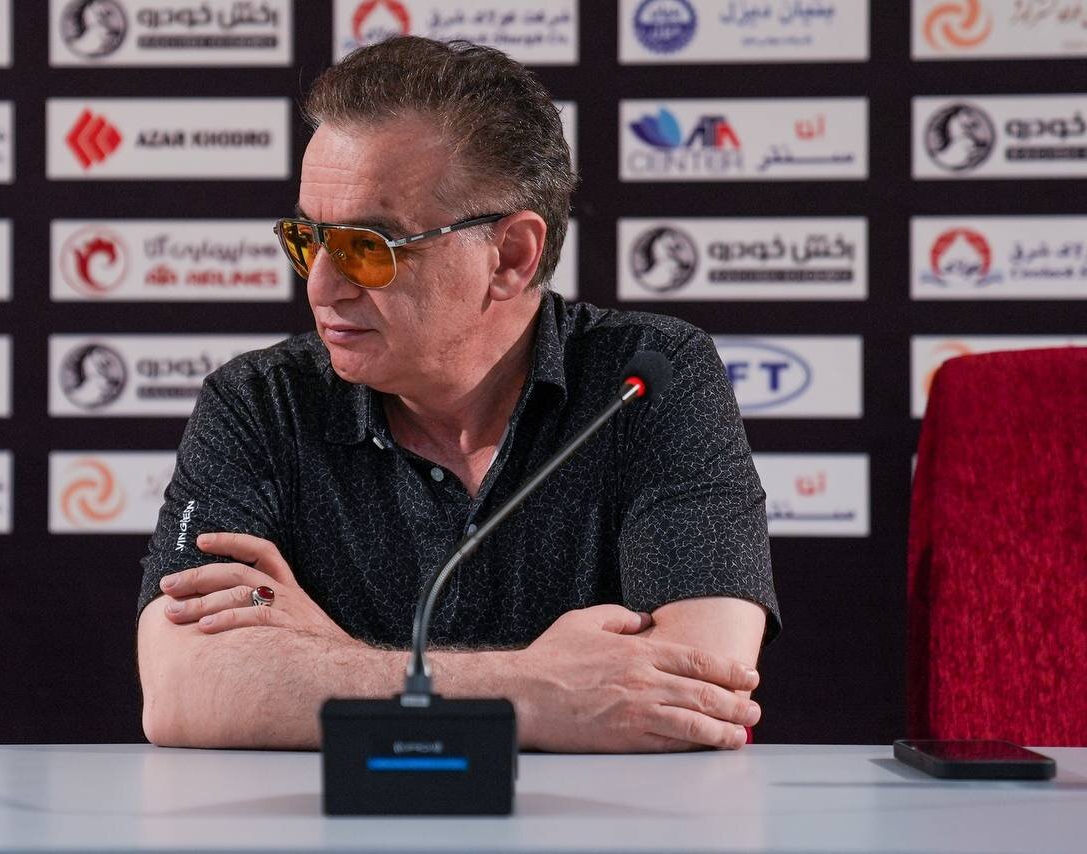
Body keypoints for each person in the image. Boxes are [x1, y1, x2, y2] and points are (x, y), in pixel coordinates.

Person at [136, 36, 779, 752]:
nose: (321, 286)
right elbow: (181, 688)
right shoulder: (259, 403)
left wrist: (323, 659)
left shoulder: (648, 378)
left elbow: (701, 690)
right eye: (308, 239)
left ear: (510, 257)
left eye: (367, 247)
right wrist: (534, 690)